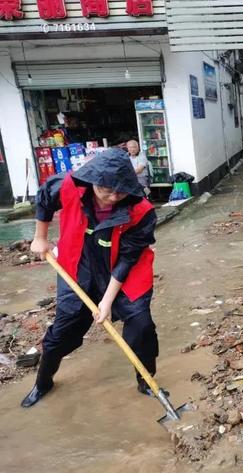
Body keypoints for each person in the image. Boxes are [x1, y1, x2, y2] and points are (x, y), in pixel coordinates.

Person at [22, 149, 160, 407]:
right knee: (62, 331)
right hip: (78, 264)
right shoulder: (69, 185)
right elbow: (44, 199)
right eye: (106, 189)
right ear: (93, 180)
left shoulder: (141, 211)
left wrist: (106, 302)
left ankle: (146, 381)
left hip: (122, 271)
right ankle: (43, 382)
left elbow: (128, 259)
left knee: (141, 326)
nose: (113, 197)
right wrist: (40, 238)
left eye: (120, 191)